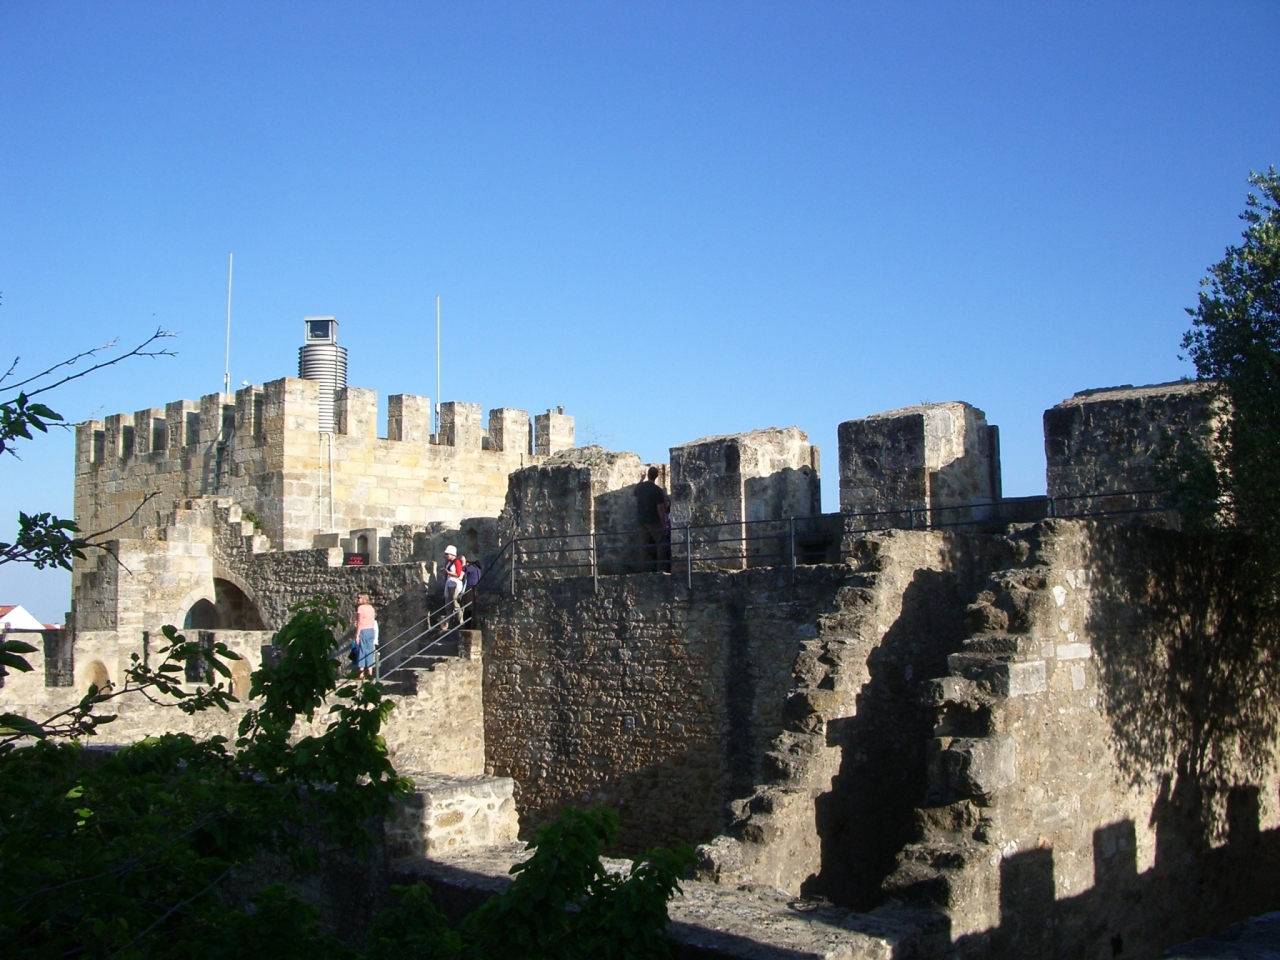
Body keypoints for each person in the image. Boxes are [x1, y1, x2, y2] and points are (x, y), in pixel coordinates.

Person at [633, 466, 670, 573]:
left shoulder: (640, 487)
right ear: (656, 476)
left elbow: (633, 493)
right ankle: (661, 568)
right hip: (653, 520)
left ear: (648, 475)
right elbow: (660, 508)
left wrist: (641, 479)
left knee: (643, 545)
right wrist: (663, 522)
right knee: (661, 542)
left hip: (641, 520)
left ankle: (644, 570)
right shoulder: (657, 490)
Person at [354, 592, 378, 679]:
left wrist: (357, 635)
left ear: (364, 598)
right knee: (369, 651)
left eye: (359, 598)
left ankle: (361, 673)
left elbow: (360, 623)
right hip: (371, 630)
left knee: (362, 651)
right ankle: (370, 672)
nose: (357, 599)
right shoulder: (371, 608)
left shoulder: (361, 608)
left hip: (363, 630)